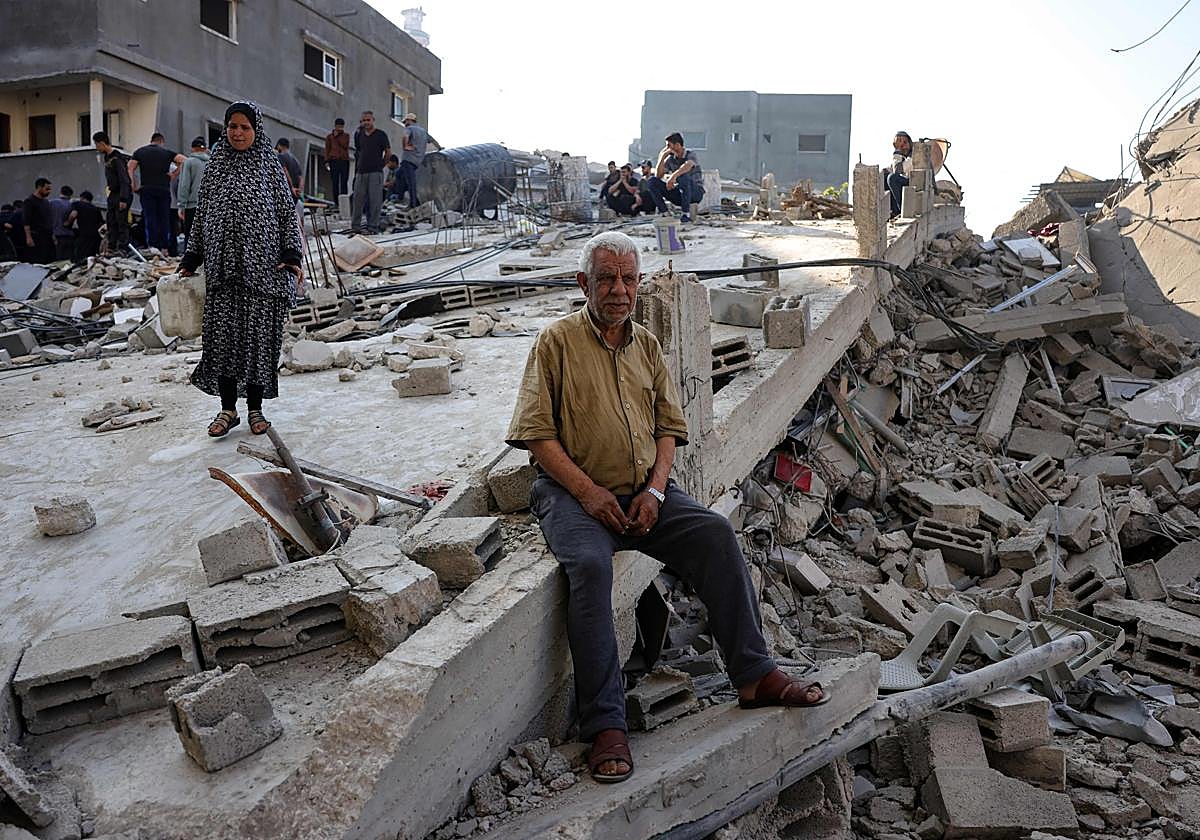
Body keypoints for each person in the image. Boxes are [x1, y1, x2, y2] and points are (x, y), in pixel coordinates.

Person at [505, 231, 828, 784]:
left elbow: (668, 430)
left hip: (643, 491)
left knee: (714, 536)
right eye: (606, 278)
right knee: (587, 567)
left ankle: (752, 675)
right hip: (573, 495)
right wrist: (588, 493)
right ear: (584, 283)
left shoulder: (647, 346)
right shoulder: (555, 343)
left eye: (628, 279)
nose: (619, 290)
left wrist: (656, 491)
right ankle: (605, 725)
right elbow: (536, 436)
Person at [178, 101, 304, 438]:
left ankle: (256, 409)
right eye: (232, 126)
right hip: (223, 270)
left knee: (258, 341)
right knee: (223, 341)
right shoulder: (216, 166)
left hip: (263, 271)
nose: (237, 133)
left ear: (256, 130)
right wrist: (191, 259)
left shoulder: (270, 166)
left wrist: (292, 255)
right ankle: (227, 410)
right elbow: (202, 216)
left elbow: (286, 215)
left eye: (244, 127)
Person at [128, 132, 185, 252]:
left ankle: (153, 246)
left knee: (150, 218)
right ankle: (164, 247)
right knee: (163, 218)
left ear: (151, 140)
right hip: (163, 189)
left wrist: (133, 184)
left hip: (147, 189)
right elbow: (184, 160)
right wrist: (174, 174)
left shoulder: (140, 152)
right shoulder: (167, 153)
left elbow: (130, 167)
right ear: (161, 142)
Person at [645, 133, 705, 223]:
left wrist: (673, 176)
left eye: (669, 145)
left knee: (682, 176)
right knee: (652, 181)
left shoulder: (690, 154)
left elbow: (688, 165)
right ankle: (665, 212)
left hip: (695, 193)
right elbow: (658, 175)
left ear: (677, 145)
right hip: (680, 194)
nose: (667, 148)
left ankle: (685, 214)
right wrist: (661, 158)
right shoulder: (670, 159)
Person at [351, 110, 390, 234]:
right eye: (363, 120)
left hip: (375, 172)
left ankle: (373, 227)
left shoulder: (381, 135)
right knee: (357, 200)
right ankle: (355, 228)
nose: (366, 122)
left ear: (373, 120)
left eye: (368, 120)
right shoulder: (359, 134)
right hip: (361, 172)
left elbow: (388, 152)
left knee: (375, 201)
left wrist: (381, 165)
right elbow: (358, 150)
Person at [93, 131, 132, 254]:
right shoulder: (108, 158)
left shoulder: (117, 158)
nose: (96, 148)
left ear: (102, 143)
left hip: (121, 193)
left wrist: (123, 198)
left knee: (121, 223)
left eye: (97, 145)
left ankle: (122, 248)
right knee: (111, 221)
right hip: (113, 193)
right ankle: (111, 247)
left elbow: (124, 179)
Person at [399, 113, 440, 209]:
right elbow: (433, 141)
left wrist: (405, 146)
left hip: (408, 159)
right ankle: (402, 197)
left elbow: (405, 136)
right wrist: (440, 148)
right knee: (399, 175)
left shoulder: (410, 128)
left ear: (410, 120)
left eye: (406, 121)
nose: (405, 123)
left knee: (410, 182)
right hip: (417, 161)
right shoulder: (423, 131)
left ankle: (412, 204)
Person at [177, 137, 210, 252]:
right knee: (207, 235)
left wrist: (181, 205)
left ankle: (189, 263)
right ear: (205, 148)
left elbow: (184, 184)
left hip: (192, 205)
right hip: (210, 206)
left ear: (192, 148)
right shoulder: (212, 163)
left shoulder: (189, 162)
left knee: (191, 235)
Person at [22, 178, 56, 263]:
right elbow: (26, 221)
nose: (49, 191)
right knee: (40, 261)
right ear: (39, 187)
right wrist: (28, 237)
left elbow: (49, 218)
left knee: (51, 260)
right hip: (37, 236)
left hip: (48, 236)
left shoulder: (46, 202)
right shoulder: (29, 201)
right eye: (47, 189)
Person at [67, 190, 103, 262]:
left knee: (79, 257)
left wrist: (67, 223)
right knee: (90, 258)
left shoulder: (78, 204)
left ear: (82, 198)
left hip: (83, 235)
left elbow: (73, 214)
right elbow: (101, 223)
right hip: (95, 237)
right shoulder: (96, 209)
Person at [885, 131, 913, 219]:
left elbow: (898, 170)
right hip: (904, 182)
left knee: (892, 178)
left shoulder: (913, 155)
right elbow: (892, 168)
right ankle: (893, 210)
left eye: (904, 142)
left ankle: (902, 210)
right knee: (885, 177)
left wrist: (897, 153)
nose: (902, 146)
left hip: (914, 183)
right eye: (899, 143)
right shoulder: (902, 156)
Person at [324, 117, 351, 199]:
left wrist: (337, 137)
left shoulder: (346, 136)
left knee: (344, 181)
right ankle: (336, 201)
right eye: (338, 126)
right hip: (334, 160)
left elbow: (345, 145)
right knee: (335, 181)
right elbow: (327, 149)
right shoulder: (329, 137)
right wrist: (326, 161)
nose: (340, 128)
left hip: (344, 160)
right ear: (335, 126)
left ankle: (344, 200)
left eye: (341, 127)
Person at [49, 185, 75, 260]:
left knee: (57, 259)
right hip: (69, 235)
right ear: (70, 195)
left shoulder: (51, 203)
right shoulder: (72, 205)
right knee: (68, 260)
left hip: (56, 235)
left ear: (60, 192)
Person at [276, 137, 304, 203]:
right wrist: (299, 190)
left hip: (287, 191)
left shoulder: (280, 156)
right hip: (296, 194)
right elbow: (301, 177)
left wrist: (291, 188)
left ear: (279, 145)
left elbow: (285, 172)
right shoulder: (295, 160)